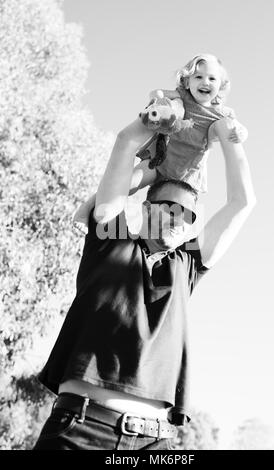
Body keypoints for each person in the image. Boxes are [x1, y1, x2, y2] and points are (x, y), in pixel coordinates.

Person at [33, 116, 256, 451]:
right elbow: (125, 143)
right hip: (81, 430)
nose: (180, 218)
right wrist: (156, 147)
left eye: (189, 215)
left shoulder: (185, 266)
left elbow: (242, 203)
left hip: (156, 443)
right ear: (146, 208)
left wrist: (228, 135)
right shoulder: (111, 242)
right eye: (170, 207)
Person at [73, 53, 248, 228]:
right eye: (198, 77)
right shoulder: (182, 98)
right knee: (128, 183)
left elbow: (239, 128)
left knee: (179, 214)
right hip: (159, 162)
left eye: (212, 79)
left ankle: (165, 244)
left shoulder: (223, 113)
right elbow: (155, 93)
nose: (205, 82)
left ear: (221, 85)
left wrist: (241, 132)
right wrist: (160, 99)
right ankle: (85, 211)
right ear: (187, 82)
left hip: (187, 173)